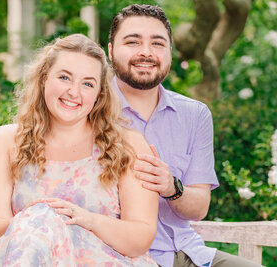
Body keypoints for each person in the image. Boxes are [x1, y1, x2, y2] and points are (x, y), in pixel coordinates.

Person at [0, 33, 159, 266]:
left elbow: (140, 237)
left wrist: (84, 219)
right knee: (41, 217)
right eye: (64, 77)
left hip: (103, 260)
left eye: (87, 84)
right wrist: (38, 219)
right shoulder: (5, 142)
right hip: (27, 253)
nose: (74, 92)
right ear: (44, 79)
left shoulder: (127, 145)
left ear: (99, 94)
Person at [108, 4, 262, 267]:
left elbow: (199, 207)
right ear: (110, 50)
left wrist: (171, 187)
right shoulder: (89, 109)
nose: (146, 52)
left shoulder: (195, 114)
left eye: (158, 43)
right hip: (117, 256)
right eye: (133, 42)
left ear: (170, 52)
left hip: (186, 253)